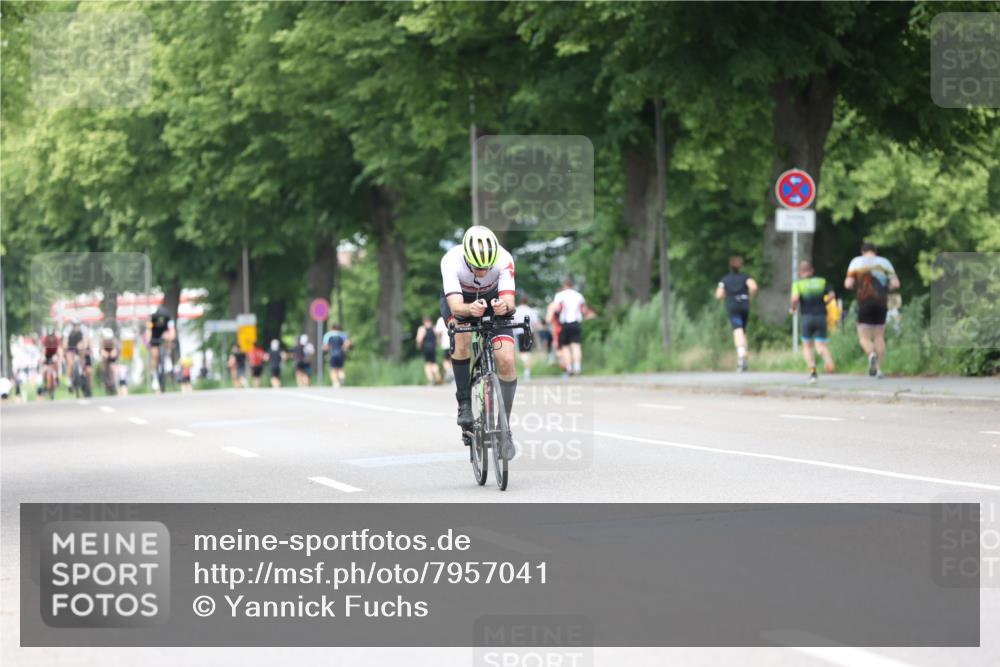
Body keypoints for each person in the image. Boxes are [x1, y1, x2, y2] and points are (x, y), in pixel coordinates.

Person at [440, 225, 518, 446]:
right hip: (461, 301)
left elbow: (510, 301)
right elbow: (455, 307)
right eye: (477, 267)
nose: (482, 272)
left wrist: (504, 307)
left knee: (507, 359)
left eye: (487, 268)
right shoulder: (451, 260)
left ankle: (504, 427)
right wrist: (469, 310)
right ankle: (464, 401)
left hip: (492, 300)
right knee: (462, 336)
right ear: (466, 257)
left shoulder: (504, 259)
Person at [845, 242, 899, 378]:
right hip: (881, 302)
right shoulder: (885, 262)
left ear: (863, 251)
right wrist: (884, 289)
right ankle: (878, 369)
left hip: (864, 302)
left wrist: (857, 286)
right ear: (875, 251)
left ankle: (871, 354)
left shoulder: (856, 262)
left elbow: (848, 284)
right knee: (879, 336)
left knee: (864, 337)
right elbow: (896, 284)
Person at [790, 261, 836, 384]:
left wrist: (793, 308)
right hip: (821, 316)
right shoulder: (822, 281)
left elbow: (795, 299)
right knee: (821, 345)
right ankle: (828, 360)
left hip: (807, 317)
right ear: (812, 270)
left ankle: (813, 372)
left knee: (807, 346)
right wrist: (825, 303)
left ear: (800, 273)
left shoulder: (798, 284)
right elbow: (832, 294)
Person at [715, 255, 758, 372]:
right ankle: (743, 362)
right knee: (743, 331)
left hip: (733, 304)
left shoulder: (725, 279)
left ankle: (741, 353)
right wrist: (750, 297)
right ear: (741, 266)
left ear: (730, 266)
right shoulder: (746, 277)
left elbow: (718, 295)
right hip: (744, 303)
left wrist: (725, 296)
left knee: (737, 330)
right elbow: (753, 287)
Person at [547, 278, 594, 377]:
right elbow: (584, 310)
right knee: (576, 346)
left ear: (564, 285)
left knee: (565, 347)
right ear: (572, 285)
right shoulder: (579, 296)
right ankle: (577, 368)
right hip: (576, 323)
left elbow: (556, 308)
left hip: (564, 323)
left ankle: (569, 368)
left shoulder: (560, 295)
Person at [513, 293, 542, 381]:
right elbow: (535, 323)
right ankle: (527, 369)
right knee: (528, 352)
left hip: (519, 332)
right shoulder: (531, 310)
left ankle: (526, 368)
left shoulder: (516, 310)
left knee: (522, 352)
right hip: (529, 332)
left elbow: (513, 322)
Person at [148, 306, 171, 392]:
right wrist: (148, 341)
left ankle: (167, 356)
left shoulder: (168, 318)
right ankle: (154, 375)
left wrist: (170, 336)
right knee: (155, 355)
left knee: (168, 339)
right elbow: (149, 330)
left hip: (164, 337)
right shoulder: (152, 319)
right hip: (154, 338)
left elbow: (171, 330)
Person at [416, 316, 442, 385]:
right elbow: (438, 337)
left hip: (426, 348)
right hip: (433, 348)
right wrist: (438, 344)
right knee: (434, 363)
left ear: (424, 322)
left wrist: (418, 346)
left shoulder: (422, 329)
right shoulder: (434, 328)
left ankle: (431, 380)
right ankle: (437, 378)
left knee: (427, 364)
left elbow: (419, 339)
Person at [433, 315, 453, 382]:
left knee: (446, 360)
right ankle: (452, 372)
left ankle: (449, 370)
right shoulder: (454, 317)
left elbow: (437, 332)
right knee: (453, 359)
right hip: (454, 342)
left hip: (445, 344)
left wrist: (438, 341)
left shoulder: (441, 319)